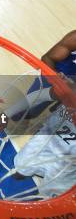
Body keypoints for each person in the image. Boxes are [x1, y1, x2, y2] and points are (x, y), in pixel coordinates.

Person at [7, 30, 76, 196]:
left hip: (69, 153)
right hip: (57, 78)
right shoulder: (74, 39)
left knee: (52, 195)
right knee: (21, 165)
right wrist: (57, 83)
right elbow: (48, 59)